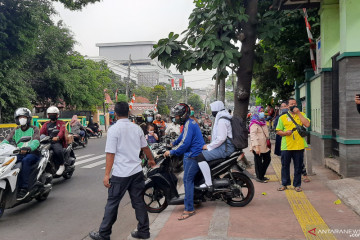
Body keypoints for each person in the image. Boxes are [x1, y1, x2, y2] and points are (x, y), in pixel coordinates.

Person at [89, 102, 155, 240]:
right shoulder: (136, 128)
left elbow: (110, 154)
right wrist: (151, 160)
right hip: (136, 172)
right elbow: (146, 147)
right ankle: (144, 231)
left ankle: (104, 234)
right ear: (129, 112)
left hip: (121, 174)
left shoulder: (114, 129)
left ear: (115, 113)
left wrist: (107, 175)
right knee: (138, 202)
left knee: (112, 203)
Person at [163, 103, 204, 220]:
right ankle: (196, 199)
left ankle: (189, 209)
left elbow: (185, 143)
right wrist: (173, 143)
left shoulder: (189, 124)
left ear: (183, 115)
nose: (176, 118)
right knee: (192, 180)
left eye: (177, 116)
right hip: (195, 153)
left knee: (187, 180)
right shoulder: (189, 123)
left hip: (192, 155)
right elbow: (182, 137)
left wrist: (172, 152)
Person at [1, 108, 40, 200]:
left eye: (24, 117)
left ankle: (24, 188)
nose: (22, 119)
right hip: (19, 152)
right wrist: (1, 146)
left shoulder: (34, 129)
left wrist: (28, 148)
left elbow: (36, 141)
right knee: (8, 162)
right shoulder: (16, 130)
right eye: (20, 117)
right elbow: (7, 140)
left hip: (32, 153)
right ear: (17, 119)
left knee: (25, 161)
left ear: (28, 118)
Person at [195, 101, 235, 189]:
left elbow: (221, 138)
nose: (212, 112)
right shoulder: (224, 117)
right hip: (225, 146)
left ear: (216, 108)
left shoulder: (222, 120)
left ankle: (208, 183)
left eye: (212, 109)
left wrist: (208, 146)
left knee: (199, 156)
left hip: (225, 148)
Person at [276, 98, 310, 192]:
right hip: (286, 146)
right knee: (285, 166)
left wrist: (299, 113)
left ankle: (297, 185)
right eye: (291, 104)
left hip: (299, 146)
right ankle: (284, 184)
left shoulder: (302, 114)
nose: (293, 105)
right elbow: (278, 131)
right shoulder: (282, 117)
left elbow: (307, 124)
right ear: (287, 106)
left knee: (298, 166)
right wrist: (285, 133)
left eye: (295, 104)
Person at [40, 106, 67, 176]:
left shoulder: (61, 123)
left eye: (54, 114)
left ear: (57, 115)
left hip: (56, 141)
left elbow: (62, 131)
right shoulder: (46, 124)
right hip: (47, 141)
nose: (52, 116)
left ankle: (62, 165)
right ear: (48, 115)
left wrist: (57, 137)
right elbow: (41, 132)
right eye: (50, 114)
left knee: (58, 151)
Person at [249, 106, 271, 183]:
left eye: (262, 111)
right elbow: (253, 135)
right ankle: (259, 177)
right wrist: (257, 147)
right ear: (256, 113)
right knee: (258, 162)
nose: (262, 113)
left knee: (267, 159)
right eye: (260, 111)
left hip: (264, 145)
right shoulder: (254, 123)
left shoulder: (262, 122)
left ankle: (261, 175)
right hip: (257, 146)